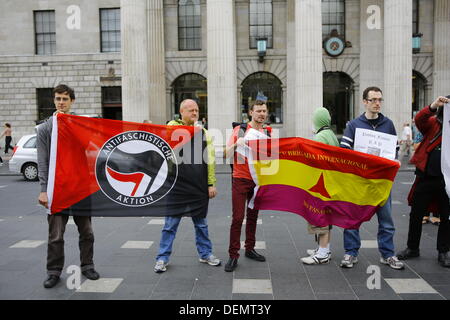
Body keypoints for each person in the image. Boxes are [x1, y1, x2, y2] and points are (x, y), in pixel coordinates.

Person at [37, 84, 100, 288]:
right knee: (55, 235)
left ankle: (87, 265)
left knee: (87, 232)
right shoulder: (46, 128)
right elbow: (43, 160)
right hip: (58, 189)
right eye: (58, 99)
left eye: (65, 99)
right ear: (54, 101)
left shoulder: (80, 125)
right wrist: (43, 190)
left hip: (81, 188)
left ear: (72, 101)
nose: (61, 102)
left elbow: (94, 150)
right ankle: (53, 271)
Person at [339, 86, 404, 270]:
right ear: (364, 102)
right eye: (373, 100)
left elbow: (395, 149)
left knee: (386, 220)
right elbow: (345, 151)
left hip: (381, 182)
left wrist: (394, 161)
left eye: (380, 100)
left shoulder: (388, 124)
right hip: (360, 182)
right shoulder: (353, 125)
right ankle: (351, 253)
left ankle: (388, 254)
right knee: (352, 217)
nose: (377, 103)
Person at [154, 99, 221, 273]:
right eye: (191, 110)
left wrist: (211, 183)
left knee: (201, 224)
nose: (194, 113)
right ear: (181, 112)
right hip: (177, 186)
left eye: (197, 110)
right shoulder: (172, 129)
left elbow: (210, 160)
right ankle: (162, 258)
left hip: (198, 186)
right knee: (170, 224)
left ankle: (205, 254)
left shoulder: (204, 132)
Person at [397, 95, 450, 268]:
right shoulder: (434, 122)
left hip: (447, 181)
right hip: (426, 177)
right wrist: (433, 105)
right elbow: (419, 120)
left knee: (446, 217)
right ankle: (412, 248)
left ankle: (443, 251)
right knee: (416, 214)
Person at [224, 100, 272, 272]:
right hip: (240, 179)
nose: (262, 114)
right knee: (237, 218)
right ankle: (233, 255)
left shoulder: (268, 131)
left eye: (264, 111)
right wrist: (237, 144)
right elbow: (225, 153)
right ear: (251, 112)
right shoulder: (240, 130)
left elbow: (270, 158)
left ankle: (249, 248)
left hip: (257, 181)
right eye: (258, 110)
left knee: (253, 217)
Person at [300, 107, 339, 265]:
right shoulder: (331, 135)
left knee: (320, 216)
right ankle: (324, 249)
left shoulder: (320, 137)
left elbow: (315, 162)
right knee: (326, 217)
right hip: (329, 183)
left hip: (320, 184)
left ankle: (322, 252)